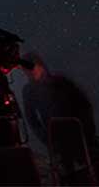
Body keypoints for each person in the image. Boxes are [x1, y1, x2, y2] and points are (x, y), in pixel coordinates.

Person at [21, 52, 99, 180]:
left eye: (31, 68)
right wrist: (46, 138)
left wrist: (87, 129)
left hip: (77, 131)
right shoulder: (29, 91)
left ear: (40, 65)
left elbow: (83, 104)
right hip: (56, 135)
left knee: (90, 167)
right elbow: (32, 119)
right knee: (67, 173)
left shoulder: (60, 82)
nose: (30, 73)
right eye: (26, 71)